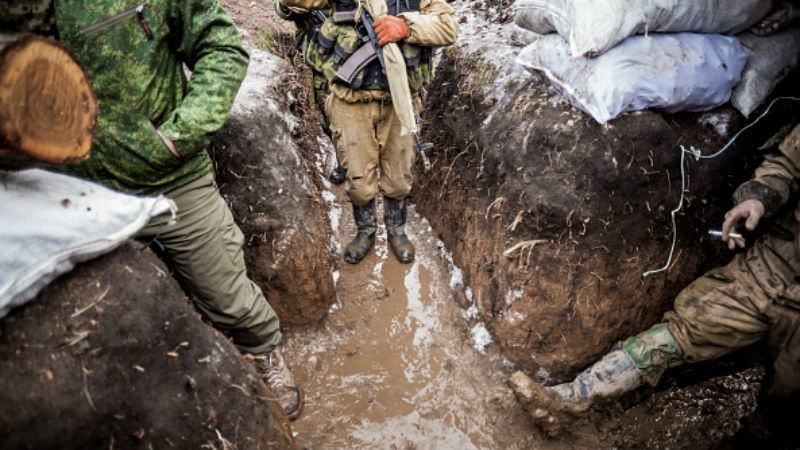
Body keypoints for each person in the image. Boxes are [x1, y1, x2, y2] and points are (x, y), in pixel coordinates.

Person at [2, 0, 303, 419]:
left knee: (225, 294)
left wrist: (179, 136)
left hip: (167, 175)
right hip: (61, 192)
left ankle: (264, 351)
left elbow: (222, 48)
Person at [510, 123, 800, 442]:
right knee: (681, 331)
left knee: (782, 409)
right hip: (773, 267)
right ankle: (571, 399)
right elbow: (787, 164)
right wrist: (759, 197)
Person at [277, 0, 459, 265]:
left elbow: (448, 28)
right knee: (359, 180)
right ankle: (366, 231)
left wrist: (405, 27)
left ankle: (397, 230)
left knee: (398, 178)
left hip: (400, 102)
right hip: (350, 101)